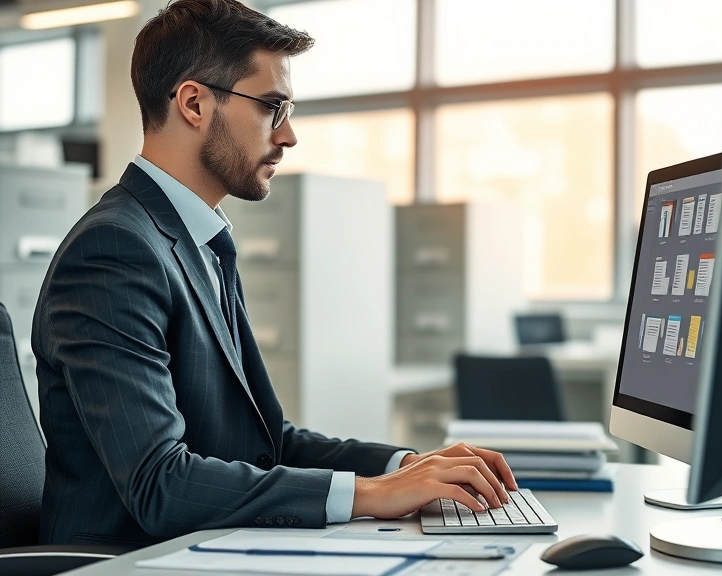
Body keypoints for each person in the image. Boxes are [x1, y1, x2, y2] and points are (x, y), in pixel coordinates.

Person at [32, 0, 516, 547]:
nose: (287, 137)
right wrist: (372, 494)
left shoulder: (199, 240)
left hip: (199, 551)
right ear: (194, 103)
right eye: (272, 108)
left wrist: (407, 465)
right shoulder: (115, 249)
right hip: (127, 561)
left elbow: (265, 442)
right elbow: (159, 484)